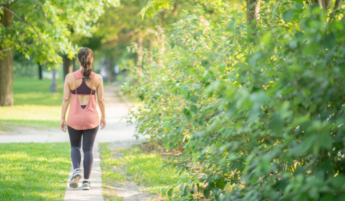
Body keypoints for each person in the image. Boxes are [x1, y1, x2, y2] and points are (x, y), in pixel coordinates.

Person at [60, 47, 106, 190]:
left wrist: (62, 118)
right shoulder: (97, 78)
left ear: (78, 60)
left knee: (75, 146)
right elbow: (101, 100)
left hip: (74, 118)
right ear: (91, 59)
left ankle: (77, 170)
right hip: (91, 119)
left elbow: (65, 99)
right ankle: (86, 182)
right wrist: (103, 116)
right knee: (88, 150)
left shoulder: (69, 77)